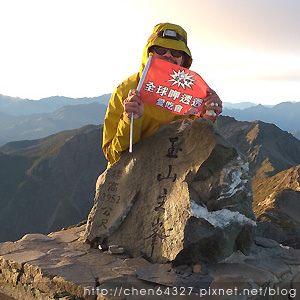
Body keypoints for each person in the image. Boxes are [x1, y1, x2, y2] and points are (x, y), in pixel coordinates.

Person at [102, 22, 222, 167]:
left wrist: (207, 121)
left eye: (176, 52)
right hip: (131, 179)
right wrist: (130, 120)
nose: (168, 55)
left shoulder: (195, 96)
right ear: (149, 52)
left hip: (173, 178)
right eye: (161, 49)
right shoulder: (126, 90)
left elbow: (200, 151)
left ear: (184, 59)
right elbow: (112, 154)